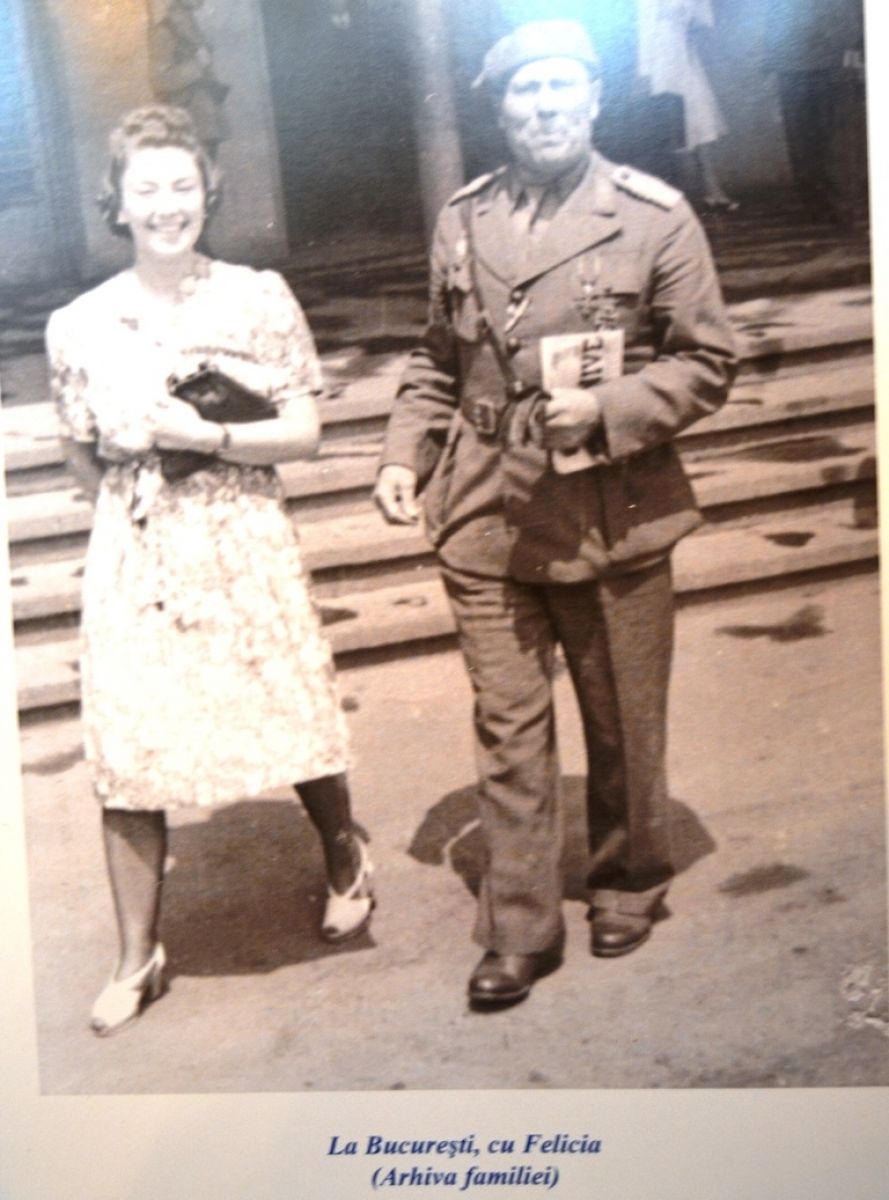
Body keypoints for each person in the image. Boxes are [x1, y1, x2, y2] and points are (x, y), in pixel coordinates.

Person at [375, 20, 736, 1006]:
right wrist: (405, 453)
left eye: (559, 87)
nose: (542, 107)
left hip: (608, 506)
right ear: (499, 110)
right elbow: (437, 359)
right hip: (483, 506)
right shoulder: (463, 218)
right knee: (507, 723)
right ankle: (519, 926)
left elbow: (707, 361)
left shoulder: (655, 217)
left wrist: (610, 408)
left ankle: (628, 878)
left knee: (622, 717)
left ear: (593, 99)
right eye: (522, 91)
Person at [46, 105, 374, 1037]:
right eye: (146, 189)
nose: (166, 206)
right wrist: (139, 495)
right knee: (129, 744)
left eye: (182, 186)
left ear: (208, 193)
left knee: (288, 704)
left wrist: (213, 438)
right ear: (117, 204)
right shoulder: (78, 324)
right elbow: (79, 453)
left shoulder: (257, 298)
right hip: (139, 552)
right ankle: (136, 956)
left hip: (242, 535)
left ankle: (345, 858)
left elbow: (304, 433)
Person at [762, 0, 867, 227]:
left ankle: (843, 208)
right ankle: (816, 207)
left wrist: (857, 49)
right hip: (791, 61)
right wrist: (771, 65)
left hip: (837, 59)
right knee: (801, 140)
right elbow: (774, 14)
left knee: (839, 140)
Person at [636, 0, 736, 210]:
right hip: (660, 61)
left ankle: (712, 189)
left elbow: (704, 20)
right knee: (673, 128)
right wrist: (645, 72)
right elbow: (645, 26)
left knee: (701, 121)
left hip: (684, 54)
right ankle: (675, 195)